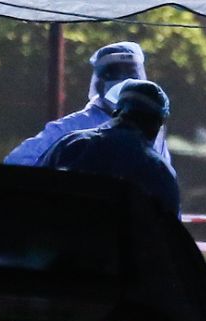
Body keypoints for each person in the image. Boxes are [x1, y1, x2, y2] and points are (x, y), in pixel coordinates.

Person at [4, 41, 172, 170]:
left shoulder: (154, 134)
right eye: (114, 73)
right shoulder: (70, 128)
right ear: (99, 82)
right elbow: (16, 163)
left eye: (131, 73)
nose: (124, 79)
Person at [37, 79, 180, 218]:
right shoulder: (160, 172)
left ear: (116, 112)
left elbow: (33, 193)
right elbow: (168, 228)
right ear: (156, 124)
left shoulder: (71, 144)